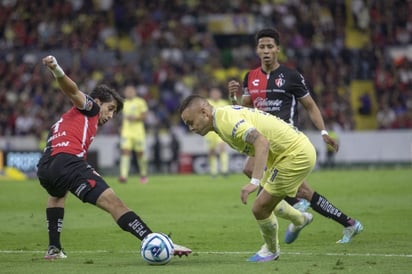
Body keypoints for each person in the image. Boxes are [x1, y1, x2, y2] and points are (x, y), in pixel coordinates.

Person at [37, 55, 191, 260]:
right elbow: (72, 90)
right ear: (98, 101)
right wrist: (56, 69)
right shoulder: (90, 107)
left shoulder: (63, 121)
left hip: (46, 168)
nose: (110, 116)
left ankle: (54, 249)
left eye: (114, 113)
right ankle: (154, 240)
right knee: (114, 202)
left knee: (57, 195)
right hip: (69, 162)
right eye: (110, 109)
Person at [227, 28, 363, 244]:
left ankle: (300, 212)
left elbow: (310, 106)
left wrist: (324, 132)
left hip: (285, 141)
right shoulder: (250, 77)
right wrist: (233, 99)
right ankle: (334, 219)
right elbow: (246, 109)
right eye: (262, 46)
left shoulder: (291, 76)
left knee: (276, 186)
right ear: (257, 50)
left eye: (270, 46)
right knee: (255, 171)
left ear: (277, 50)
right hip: (264, 140)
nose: (266, 51)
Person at [180, 95, 315, 262]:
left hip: (294, 155)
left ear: (204, 113)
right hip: (285, 154)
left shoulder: (225, 122)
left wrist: (254, 182)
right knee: (266, 199)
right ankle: (300, 218)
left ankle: (272, 251)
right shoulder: (221, 118)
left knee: (260, 207)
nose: (191, 128)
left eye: (191, 122)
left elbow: (262, 142)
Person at [119, 85, 149, 184]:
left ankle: (143, 174)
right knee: (125, 152)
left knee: (140, 153)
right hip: (126, 132)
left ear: (135, 92)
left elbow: (144, 116)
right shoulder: (123, 103)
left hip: (138, 132)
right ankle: (123, 176)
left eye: (131, 91)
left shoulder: (140, 102)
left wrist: (135, 118)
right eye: (127, 91)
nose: (129, 93)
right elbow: (121, 118)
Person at [205, 87, 229, 177]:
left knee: (222, 147)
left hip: (220, 129)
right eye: (213, 93)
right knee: (212, 151)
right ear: (211, 94)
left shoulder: (224, 103)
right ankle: (213, 171)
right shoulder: (206, 103)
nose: (215, 95)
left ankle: (224, 170)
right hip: (210, 130)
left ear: (220, 94)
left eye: (216, 93)